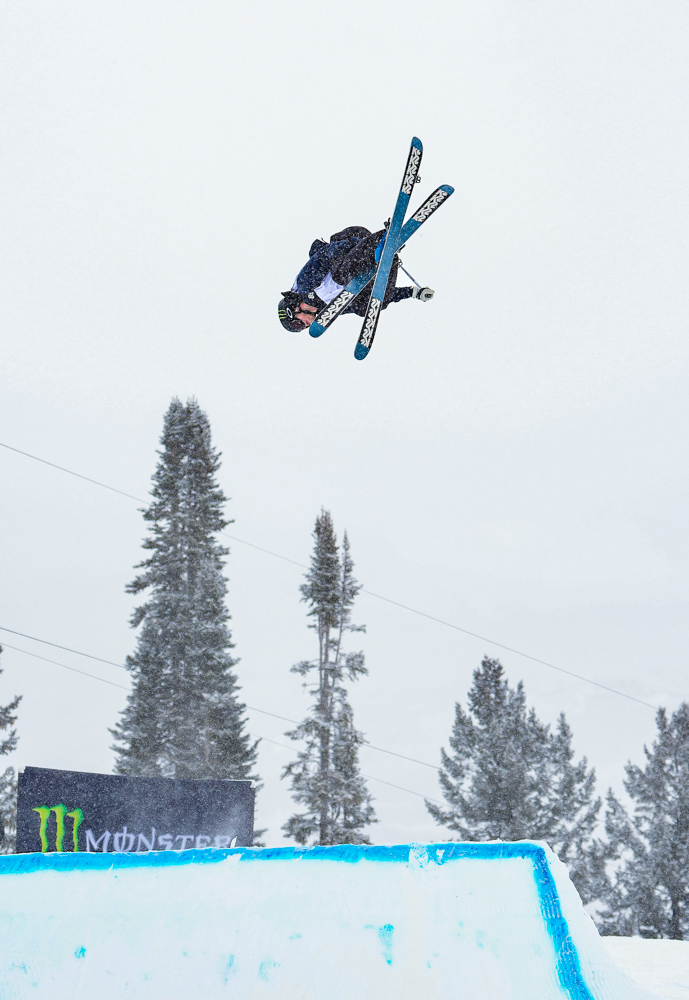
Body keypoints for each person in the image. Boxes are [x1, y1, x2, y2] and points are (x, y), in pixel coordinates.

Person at [278, 226, 434, 332]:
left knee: (340, 277)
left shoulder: (305, 285)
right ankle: (389, 260)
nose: (305, 327)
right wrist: (413, 293)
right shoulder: (330, 308)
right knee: (364, 306)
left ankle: (383, 242)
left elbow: (325, 254)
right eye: (301, 329)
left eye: (298, 324)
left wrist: (361, 246)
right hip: (368, 268)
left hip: (354, 244)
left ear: (294, 309)